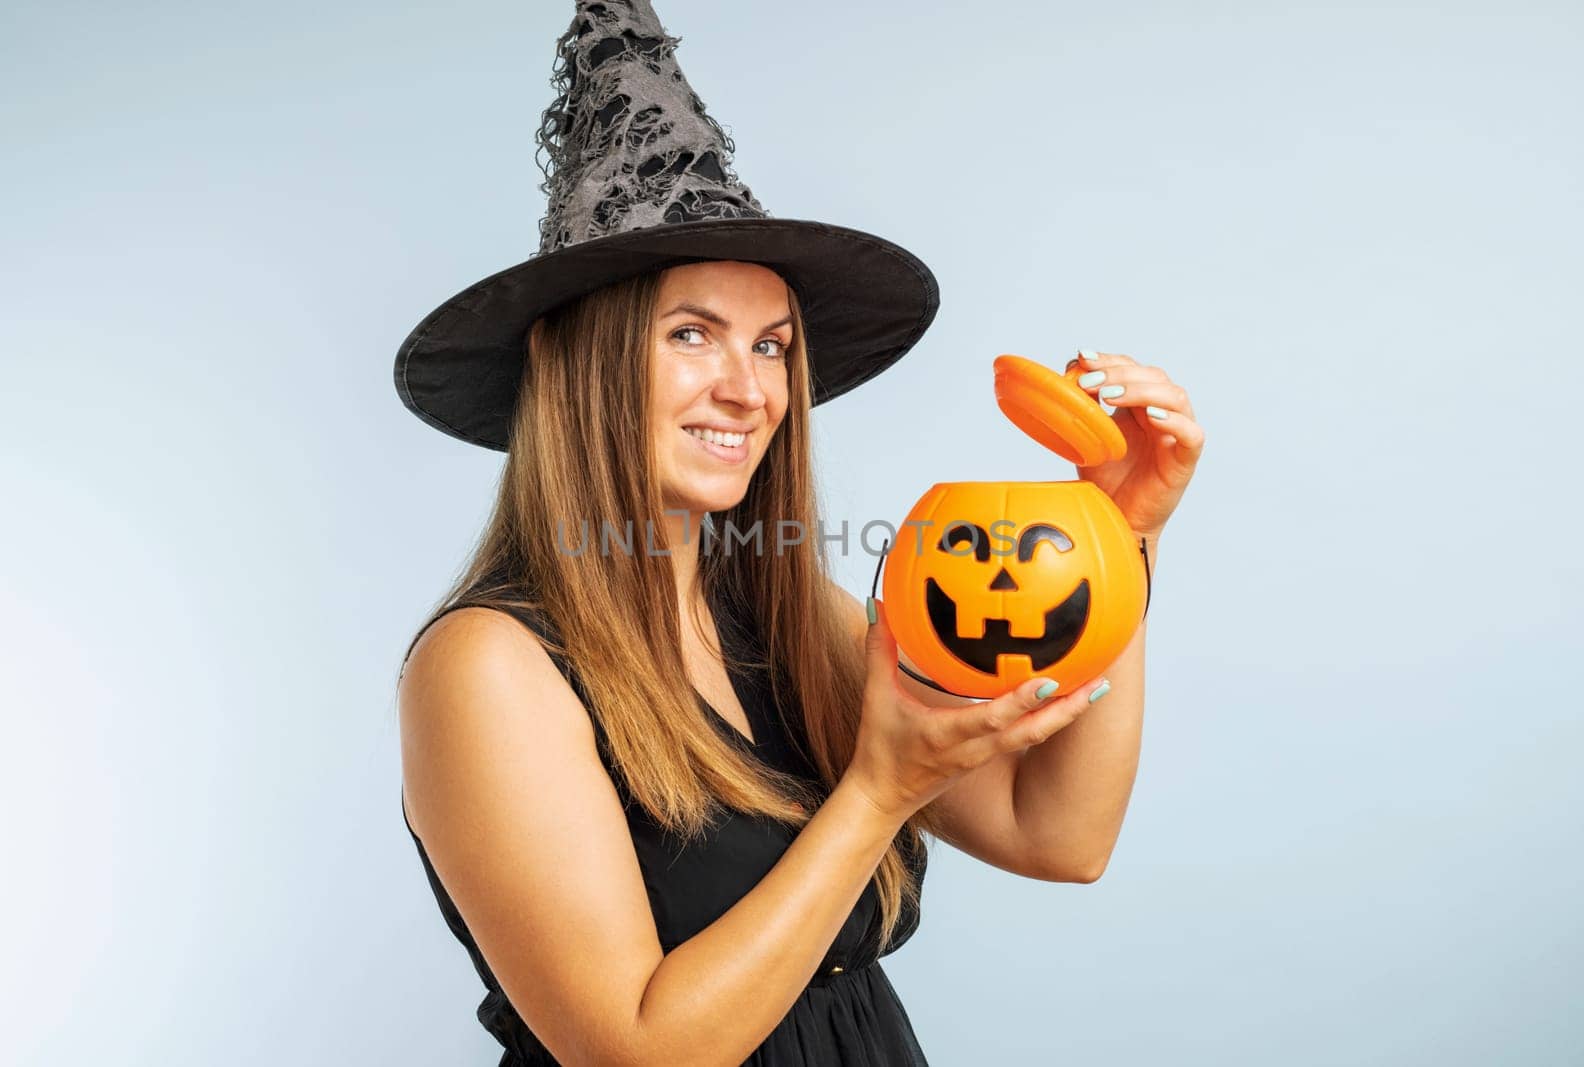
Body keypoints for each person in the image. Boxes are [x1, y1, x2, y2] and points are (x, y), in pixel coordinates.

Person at [393, 4, 1203, 1065]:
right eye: (692, 334)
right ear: (572, 361)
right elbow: (637, 1050)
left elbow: (1058, 835)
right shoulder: (487, 666)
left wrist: (1122, 528)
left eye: (772, 346)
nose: (747, 389)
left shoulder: (788, 614)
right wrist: (877, 792)